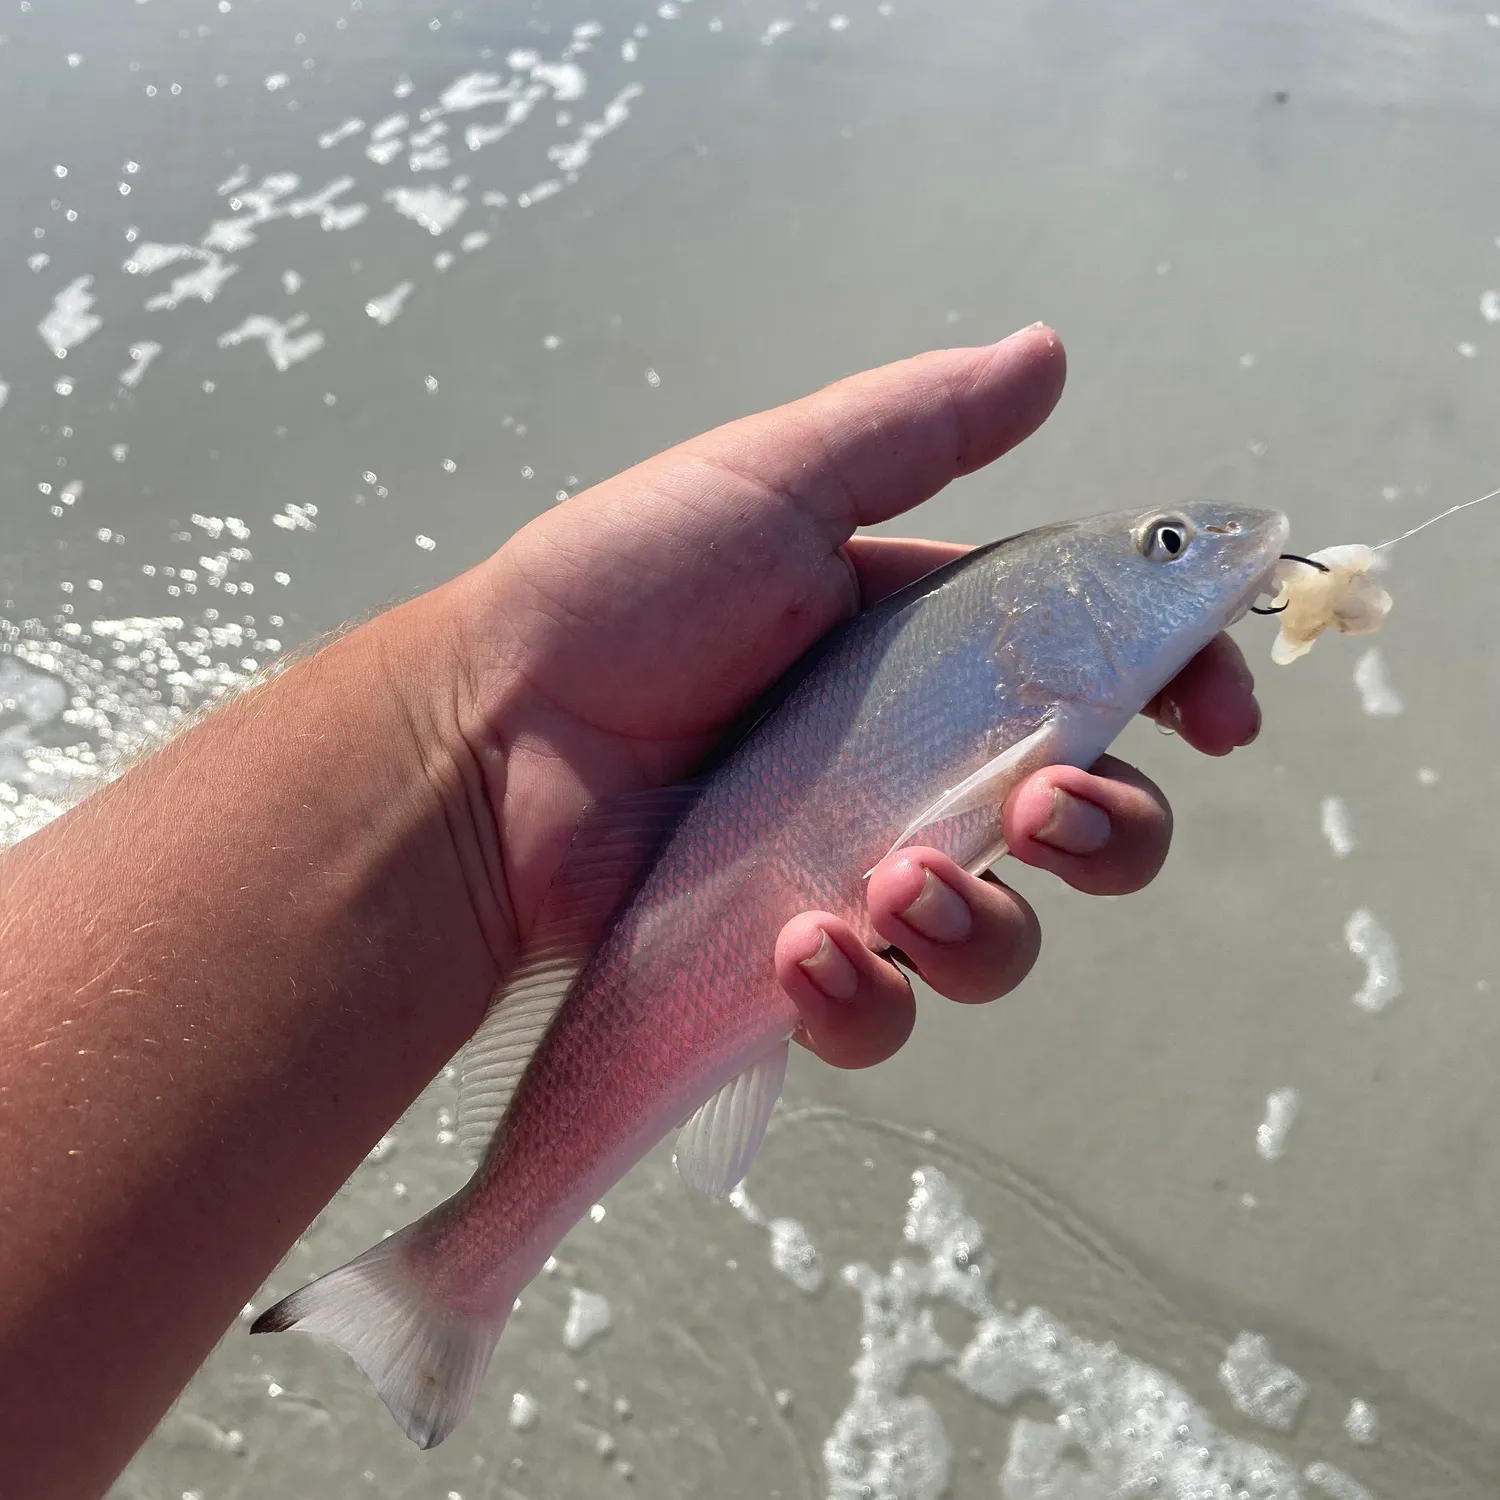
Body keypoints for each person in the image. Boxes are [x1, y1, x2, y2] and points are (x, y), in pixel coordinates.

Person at [0, 325, 1259, 1500]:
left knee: (839, 959)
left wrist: (475, 751)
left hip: (725, 886)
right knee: (845, 950)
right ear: (1064, 608)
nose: (1211, 553)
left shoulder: (1041, 670)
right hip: (696, 879)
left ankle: (453, 1274)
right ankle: (453, 1275)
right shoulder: (1032, 664)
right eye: (1167, 546)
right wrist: (477, 739)